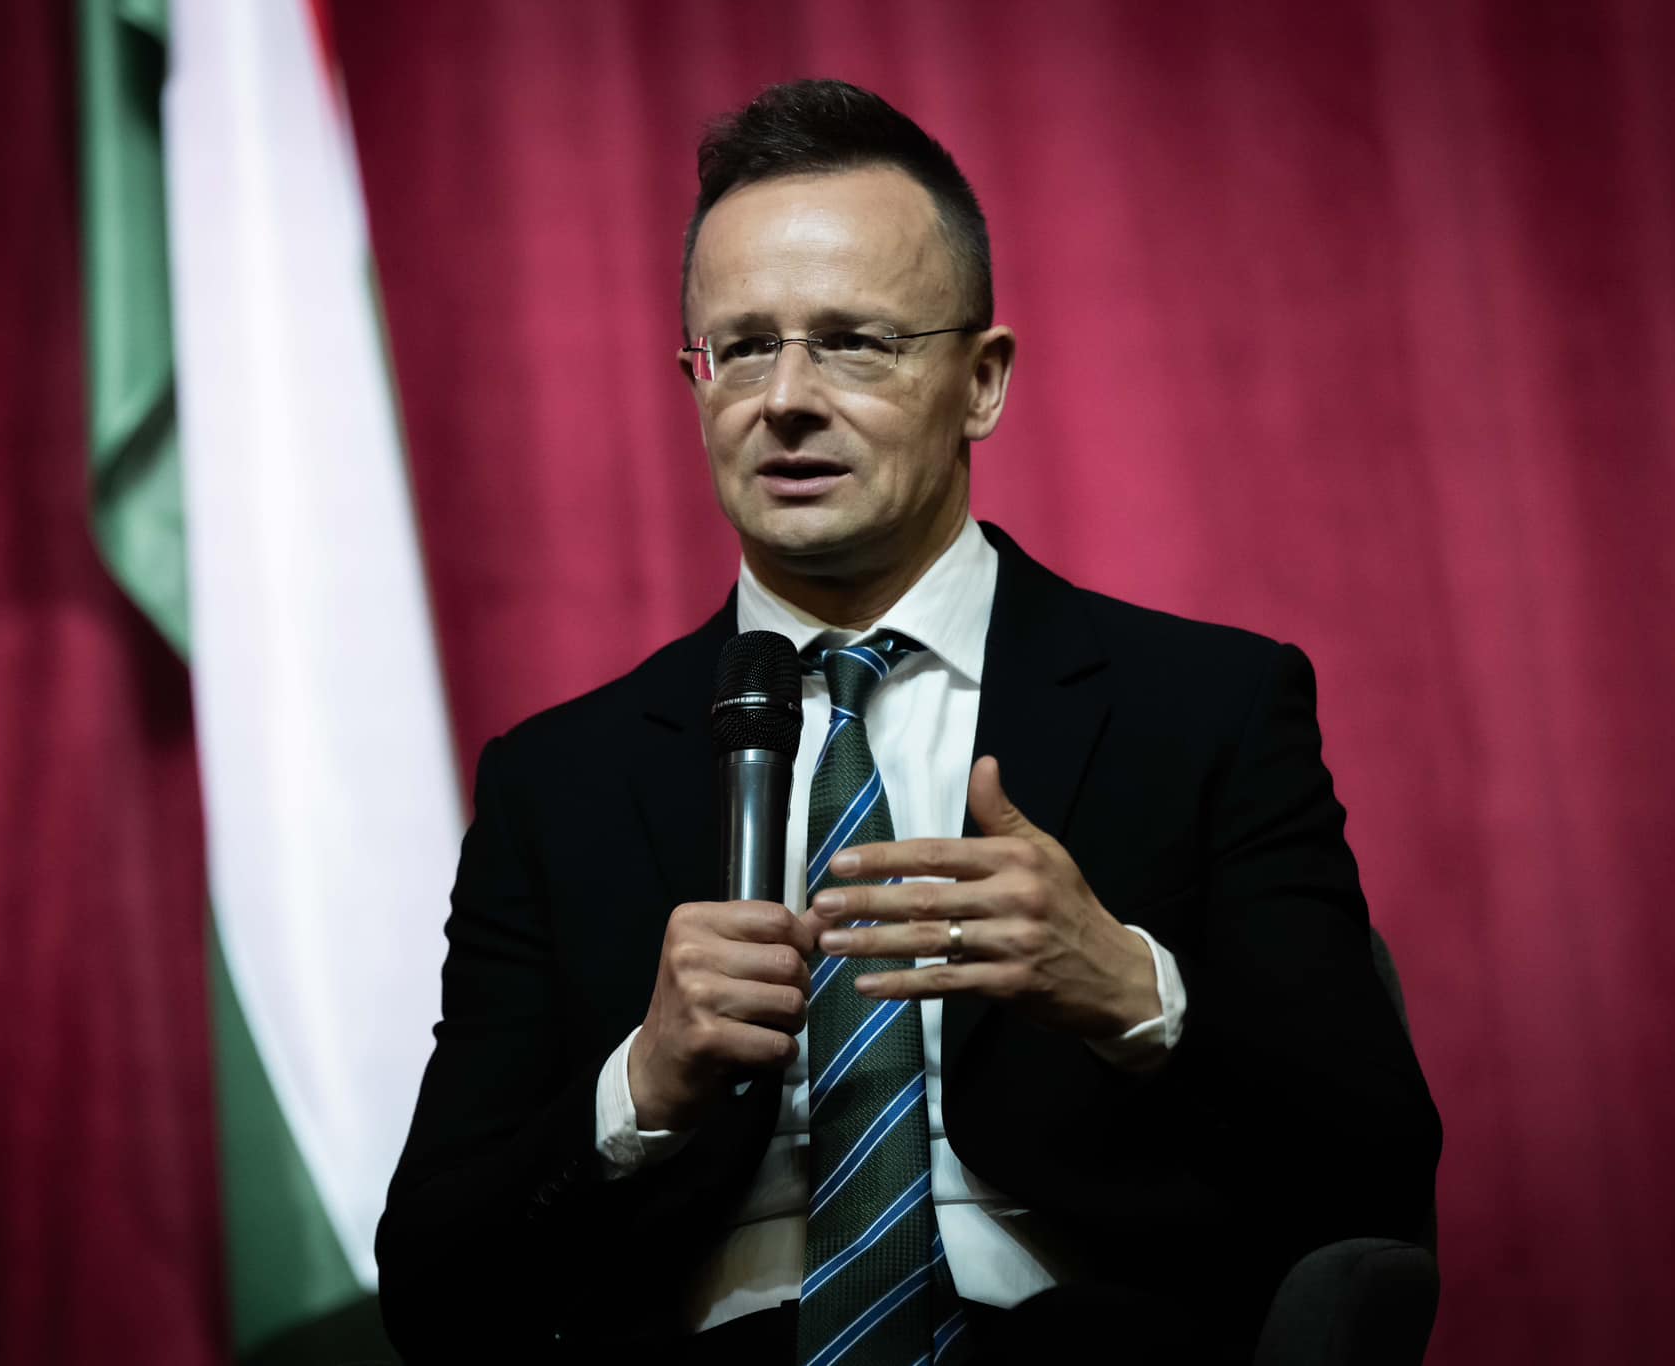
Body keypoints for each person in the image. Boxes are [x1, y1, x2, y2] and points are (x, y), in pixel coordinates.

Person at [377, 79, 1440, 1365]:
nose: (783, 397)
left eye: (852, 343)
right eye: (742, 347)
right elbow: (431, 1288)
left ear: (980, 381)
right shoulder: (562, 779)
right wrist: (636, 1086)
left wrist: (1129, 989)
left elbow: (1375, 1168)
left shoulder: (1204, 708)